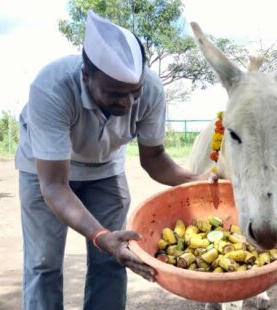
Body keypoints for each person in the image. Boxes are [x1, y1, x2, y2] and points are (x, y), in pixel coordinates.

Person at [15, 10, 211, 310]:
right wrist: (99, 235)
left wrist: (198, 182)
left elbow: (155, 159)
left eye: (134, 92)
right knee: (44, 263)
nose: (127, 103)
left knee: (115, 256)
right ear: (85, 75)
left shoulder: (151, 90)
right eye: (113, 94)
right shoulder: (51, 88)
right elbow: (54, 186)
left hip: (105, 170)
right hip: (45, 172)